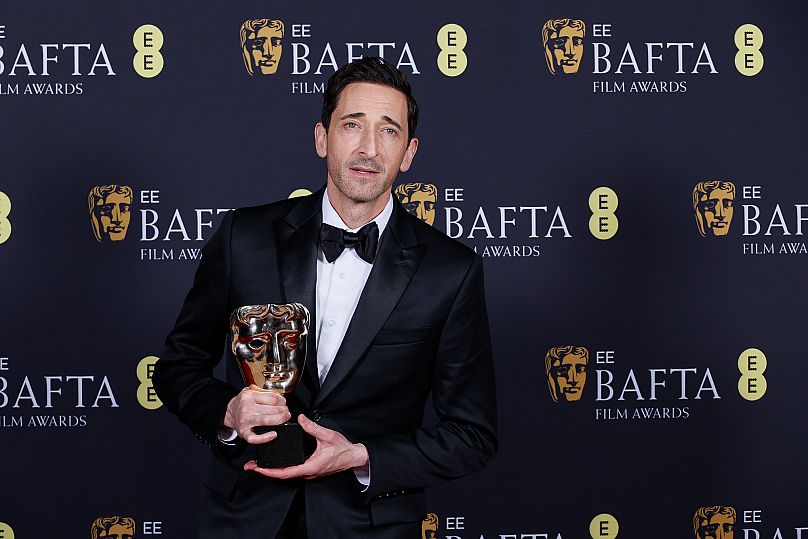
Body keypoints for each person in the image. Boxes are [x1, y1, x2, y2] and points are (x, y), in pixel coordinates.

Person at [154, 57, 497, 539]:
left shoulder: (450, 271)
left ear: (409, 153)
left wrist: (361, 456)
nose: (369, 148)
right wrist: (227, 412)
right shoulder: (244, 238)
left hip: (368, 525)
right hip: (245, 518)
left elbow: (472, 435)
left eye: (389, 131)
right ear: (322, 138)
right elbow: (176, 368)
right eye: (352, 125)